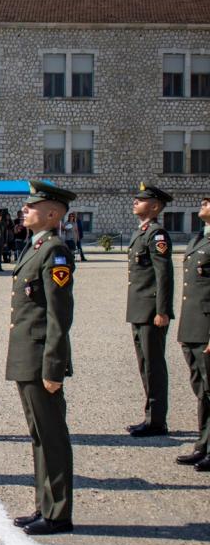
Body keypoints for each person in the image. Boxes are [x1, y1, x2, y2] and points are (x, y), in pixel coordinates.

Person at [6, 180, 76, 536]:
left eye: (31, 207)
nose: (24, 210)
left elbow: (58, 316)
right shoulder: (35, 248)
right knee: (39, 435)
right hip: (26, 354)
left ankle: (59, 513)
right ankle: (44, 506)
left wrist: (54, 366)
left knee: (52, 436)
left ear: (51, 214)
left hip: (39, 358)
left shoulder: (55, 251)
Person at [125, 183, 175, 437]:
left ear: (154, 206)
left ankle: (157, 420)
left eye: (141, 199)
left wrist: (162, 311)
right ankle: (150, 416)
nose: (135, 201)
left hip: (151, 310)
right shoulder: (142, 233)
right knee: (144, 363)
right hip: (139, 309)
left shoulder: (157, 235)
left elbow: (163, 275)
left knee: (153, 364)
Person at [176, 195, 210, 471]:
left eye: (208, 202)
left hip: (206, 328)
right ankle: (204, 443)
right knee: (201, 387)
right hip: (194, 325)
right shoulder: (200, 238)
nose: (203, 204)